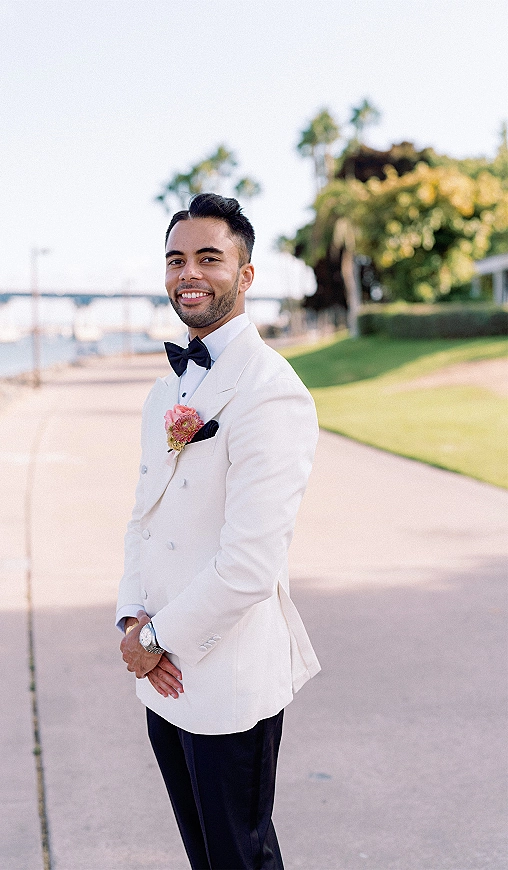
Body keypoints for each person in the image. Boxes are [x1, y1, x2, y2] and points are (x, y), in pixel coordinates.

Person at [117, 192, 320, 870]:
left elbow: (249, 566)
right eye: (176, 260)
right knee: (203, 855)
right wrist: (129, 620)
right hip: (160, 670)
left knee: (241, 856)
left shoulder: (271, 390)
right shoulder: (163, 390)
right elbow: (143, 518)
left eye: (210, 257)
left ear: (247, 274)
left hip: (226, 671)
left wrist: (154, 639)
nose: (189, 274)